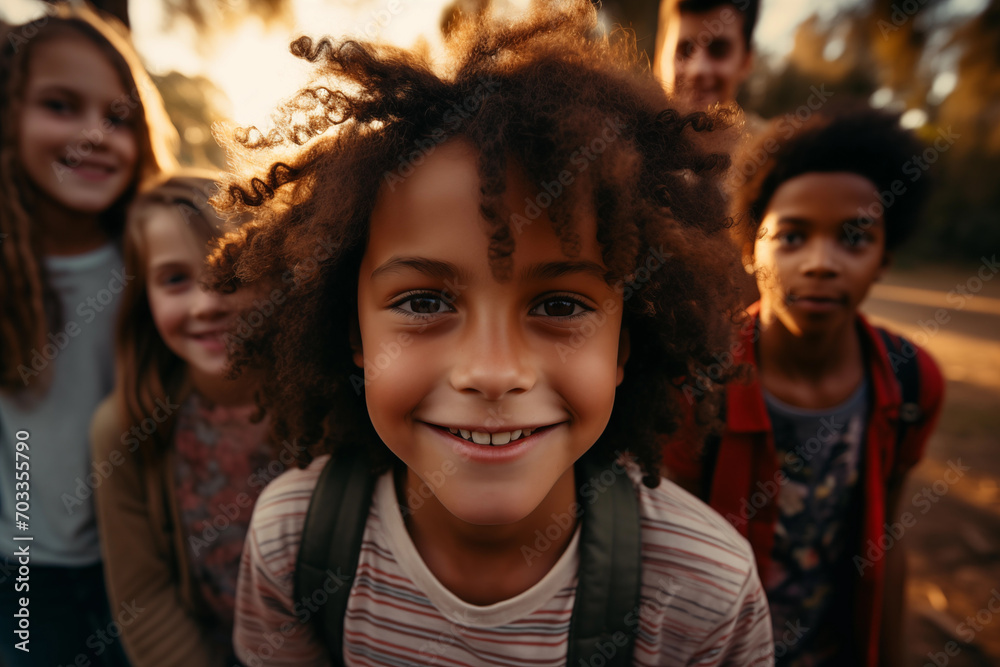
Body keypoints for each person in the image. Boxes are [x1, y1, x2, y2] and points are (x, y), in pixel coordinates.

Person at [213, 2, 775, 665]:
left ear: (625, 343)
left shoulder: (704, 592)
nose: (492, 369)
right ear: (353, 332)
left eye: (561, 305)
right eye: (423, 300)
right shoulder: (294, 544)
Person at [663, 107, 945, 666]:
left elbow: (888, 537)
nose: (820, 263)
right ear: (749, 248)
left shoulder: (913, 380)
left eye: (854, 238)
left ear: (883, 258)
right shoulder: (697, 380)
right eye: (791, 236)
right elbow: (670, 559)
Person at [0, 4, 176, 664]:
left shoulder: (158, 270)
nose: (94, 134)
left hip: (141, 563)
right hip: (22, 572)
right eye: (59, 105)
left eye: (118, 117)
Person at [90, 173, 277, 666]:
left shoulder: (329, 401)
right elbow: (144, 598)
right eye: (175, 279)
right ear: (143, 299)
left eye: (231, 274)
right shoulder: (126, 427)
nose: (206, 304)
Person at [652, 0, 760, 114]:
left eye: (719, 51)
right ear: (659, 59)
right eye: (685, 52)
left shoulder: (768, 131)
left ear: (746, 62)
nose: (698, 69)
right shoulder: (631, 127)